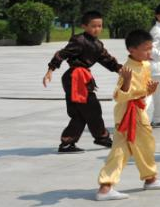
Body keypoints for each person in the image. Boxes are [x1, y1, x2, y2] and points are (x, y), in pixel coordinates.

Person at [95, 30, 160, 201]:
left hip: (138, 111)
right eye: (146, 49)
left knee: (145, 144)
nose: (149, 52)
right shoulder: (127, 69)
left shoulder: (145, 65)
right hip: (128, 114)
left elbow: (142, 91)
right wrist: (128, 83)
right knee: (121, 150)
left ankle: (150, 178)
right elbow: (119, 95)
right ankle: (106, 186)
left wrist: (148, 90)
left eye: (150, 48)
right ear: (132, 50)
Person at [43, 10, 121, 153]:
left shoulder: (98, 44)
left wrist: (120, 70)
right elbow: (62, 54)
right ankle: (101, 137)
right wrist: (50, 69)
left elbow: (107, 60)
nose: (97, 29)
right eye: (93, 26)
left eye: (100, 26)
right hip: (75, 78)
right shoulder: (78, 40)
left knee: (80, 113)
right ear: (84, 26)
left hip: (82, 78)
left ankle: (68, 142)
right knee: (92, 108)